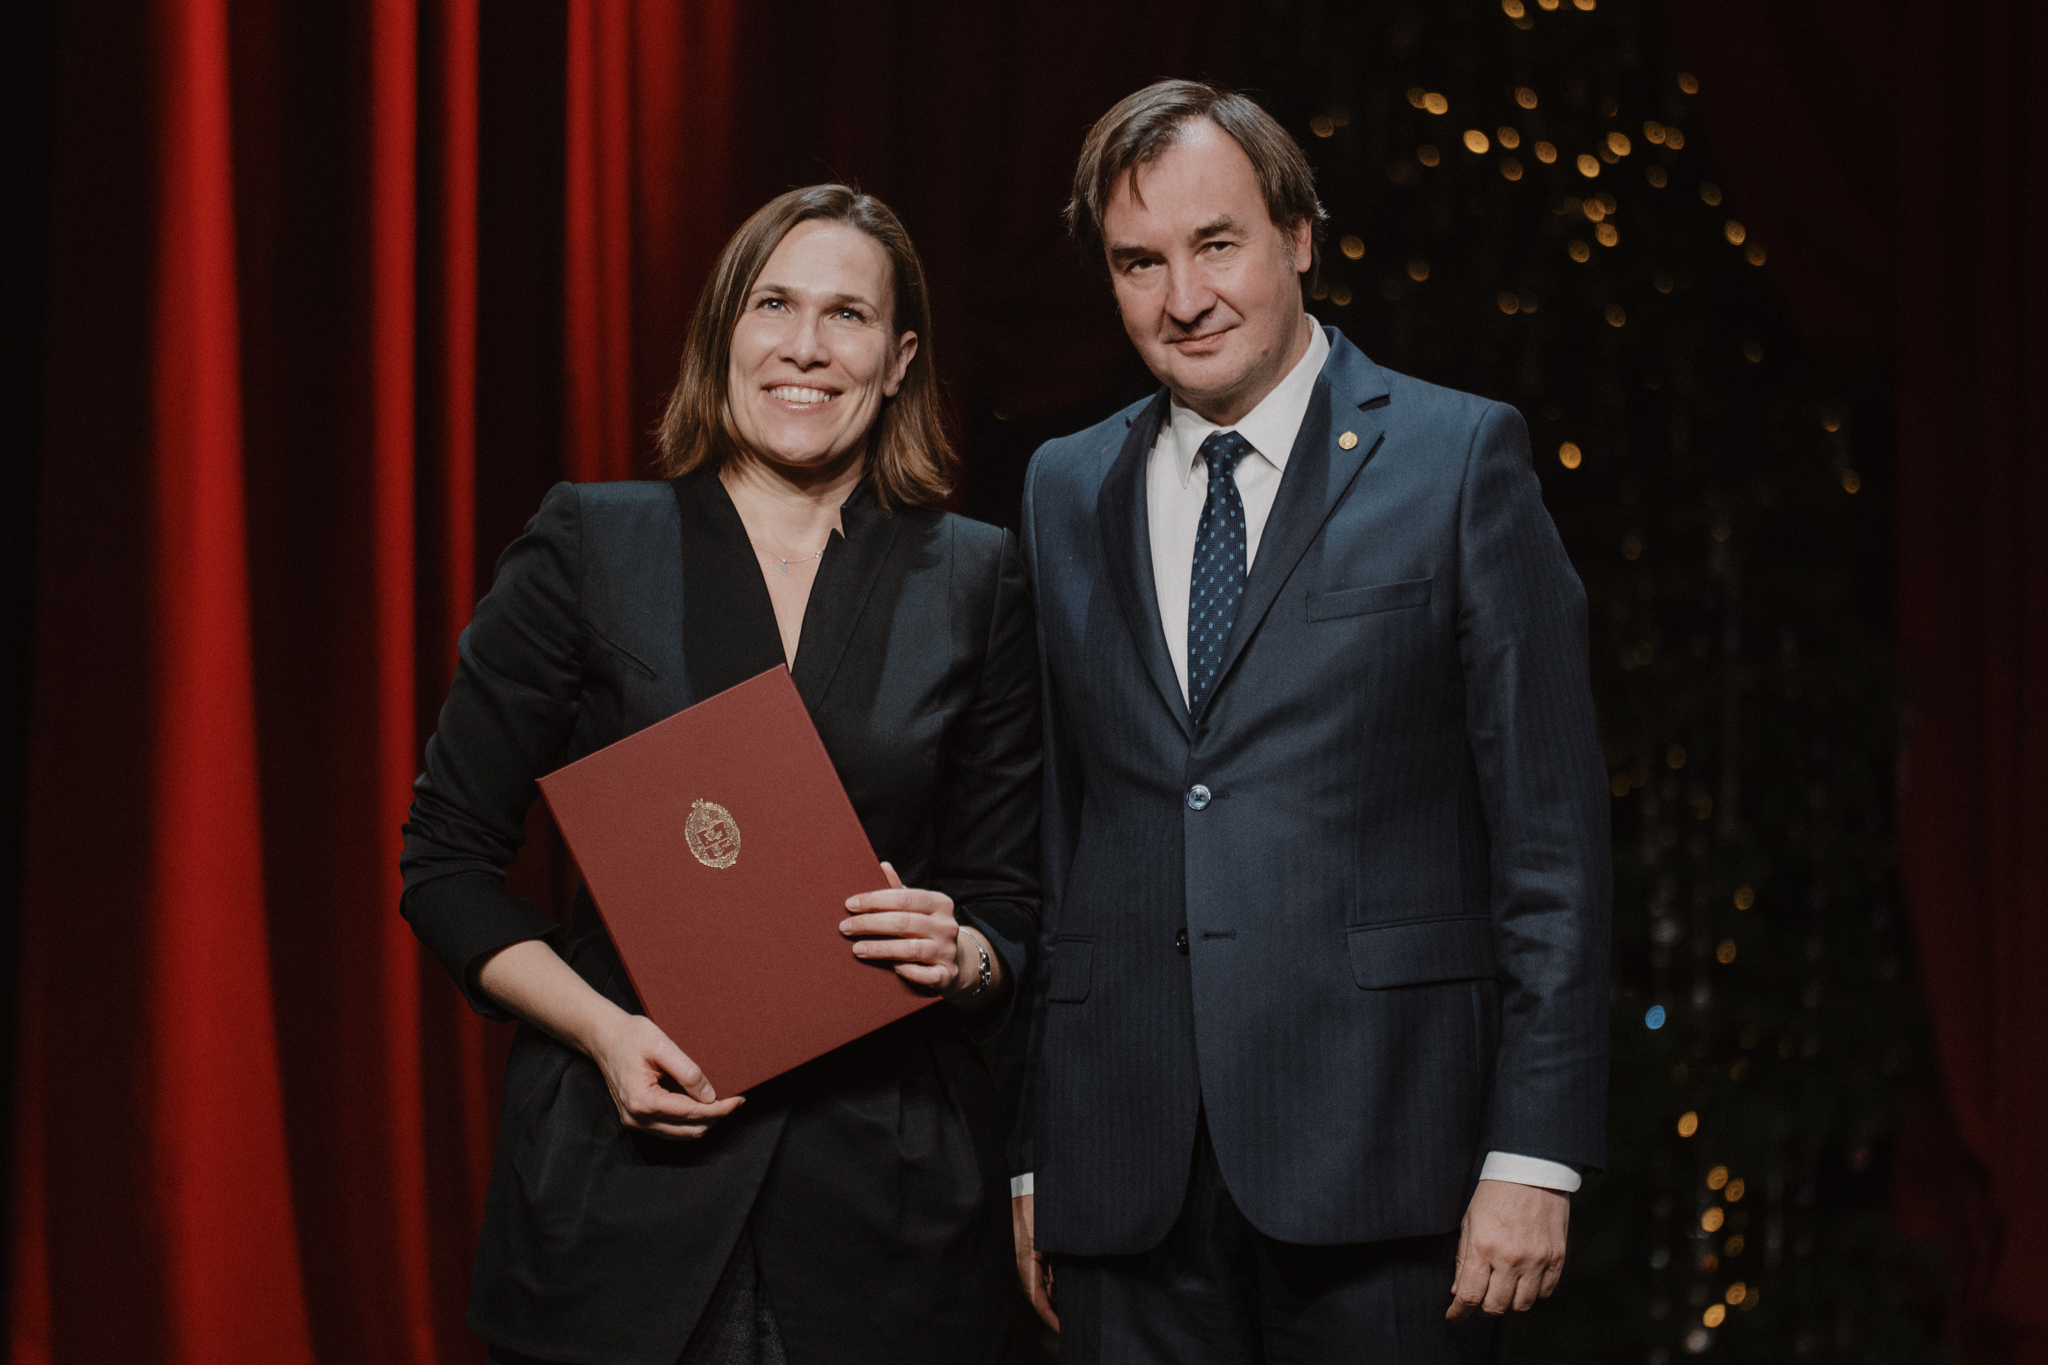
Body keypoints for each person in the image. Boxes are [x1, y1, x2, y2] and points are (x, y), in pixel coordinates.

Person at [1006, 80, 1611, 1362]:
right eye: (1137, 262)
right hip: (1124, 1170)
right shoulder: (1063, 487)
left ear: (1296, 237)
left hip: (1387, 1155)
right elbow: (1059, 833)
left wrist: (1534, 1150)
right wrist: (1033, 1152)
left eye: (1215, 244)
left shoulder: (1457, 459)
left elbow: (1550, 842)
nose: (1182, 297)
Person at [401, 184, 1040, 1365]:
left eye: (847, 316)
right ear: (723, 334)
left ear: (898, 362)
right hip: (622, 1194)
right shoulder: (591, 544)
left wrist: (965, 954)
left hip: (886, 1213)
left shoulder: (977, 577)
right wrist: (604, 1033)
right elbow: (444, 864)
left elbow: (1012, 905)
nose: (805, 346)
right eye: (773, 305)